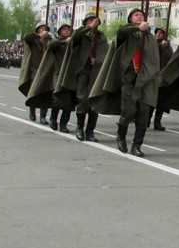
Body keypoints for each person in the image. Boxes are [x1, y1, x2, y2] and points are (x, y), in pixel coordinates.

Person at [90, 8, 160, 156]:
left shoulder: (150, 37)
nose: (139, 16)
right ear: (130, 19)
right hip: (128, 77)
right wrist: (136, 28)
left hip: (145, 80)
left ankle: (137, 145)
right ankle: (121, 136)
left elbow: (153, 59)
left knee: (143, 114)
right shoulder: (127, 32)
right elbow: (121, 33)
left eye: (141, 15)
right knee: (128, 111)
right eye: (136, 15)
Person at [56, 12, 109, 142]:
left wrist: (97, 60)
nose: (92, 22)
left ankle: (90, 131)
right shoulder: (81, 33)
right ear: (85, 22)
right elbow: (74, 38)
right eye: (89, 20)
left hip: (96, 71)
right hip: (83, 71)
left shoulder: (101, 36)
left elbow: (105, 52)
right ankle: (80, 128)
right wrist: (89, 28)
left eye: (94, 20)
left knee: (94, 102)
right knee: (83, 100)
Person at [27, 23, 75, 132]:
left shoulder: (72, 41)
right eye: (64, 29)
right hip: (53, 71)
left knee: (69, 101)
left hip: (69, 74)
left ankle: (63, 124)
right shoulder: (54, 40)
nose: (67, 31)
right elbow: (51, 45)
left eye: (69, 29)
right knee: (56, 96)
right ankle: (52, 118)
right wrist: (40, 36)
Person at [20, 23, 51, 124]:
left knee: (45, 93)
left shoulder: (50, 40)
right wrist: (39, 36)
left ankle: (43, 116)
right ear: (37, 30)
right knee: (33, 91)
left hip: (46, 69)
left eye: (45, 28)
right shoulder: (33, 39)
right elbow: (27, 37)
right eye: (41, 28)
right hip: (34, 68)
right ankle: (32, 111)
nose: (43, 30)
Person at [151, 27, 174, 130]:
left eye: (161, 33)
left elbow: (170, 59)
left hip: (163, 76)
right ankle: (145, 120)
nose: (159, 34)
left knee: (160, 101)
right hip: (152, 76)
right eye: (158, 32)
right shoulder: (151, 43)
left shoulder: (168, 47)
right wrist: (160, 46)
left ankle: (157, 121)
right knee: (149, 100)